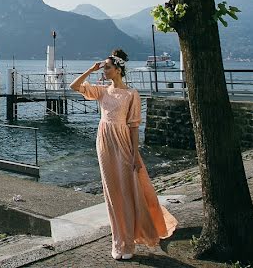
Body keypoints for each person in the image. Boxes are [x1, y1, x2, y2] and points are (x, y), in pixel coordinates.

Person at [70, 49, 177, 261]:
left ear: (118, 70)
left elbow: (134, 126)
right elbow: (74, 86)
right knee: (112, 195)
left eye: (108, 68)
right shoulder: (102, 91)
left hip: (123, 142)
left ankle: (129, 243)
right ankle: (118, 241)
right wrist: (91, 69)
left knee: (129, 192)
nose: (104, 71)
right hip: (104, 143)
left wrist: (135, 155)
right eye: (104, 68)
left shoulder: (131, 94)